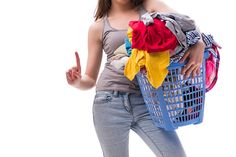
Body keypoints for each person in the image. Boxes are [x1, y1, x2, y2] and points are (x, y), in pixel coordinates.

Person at [66, 0, 205, 156]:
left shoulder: (149, 5)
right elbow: (90, 79)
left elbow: (185, 22)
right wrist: (77, 81)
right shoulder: (98, 27)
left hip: (149, 103)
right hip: (109, 102)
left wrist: (198, 42)